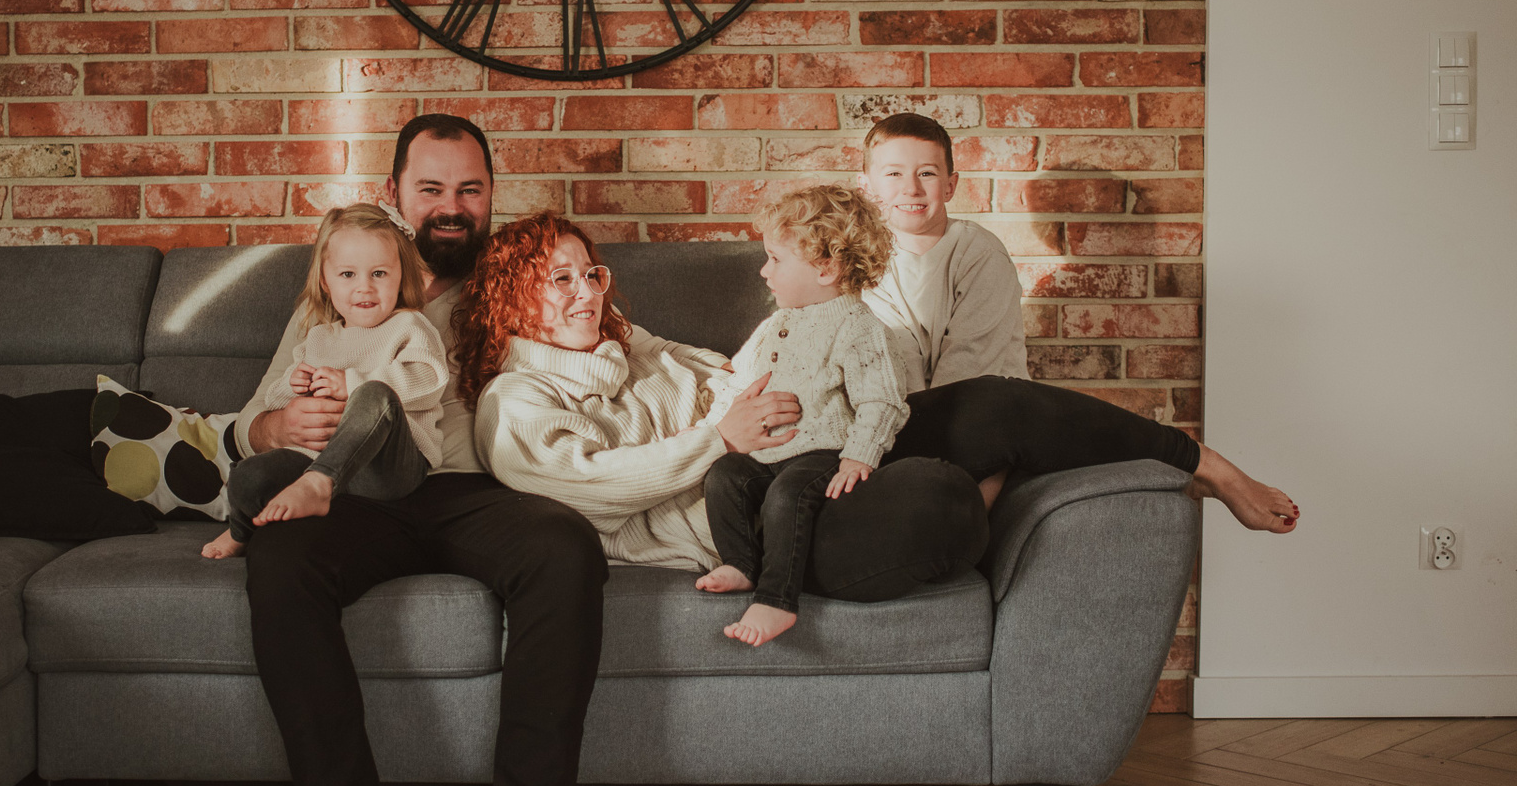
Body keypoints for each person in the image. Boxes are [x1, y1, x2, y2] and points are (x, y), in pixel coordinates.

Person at [465, 212, 1297, 620]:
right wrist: (719, 440)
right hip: (765, 520)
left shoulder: (628, 343)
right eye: (558, 280)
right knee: (935, 494)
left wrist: (804, 366)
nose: (584, 292)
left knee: (994, 400)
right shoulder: (516, 403)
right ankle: (975, 496)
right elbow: (587, 487)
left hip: (817, 438)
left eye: (591, 274)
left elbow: (732, 367)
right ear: (512, 298)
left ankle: (1203, 465)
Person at [228, 115, 607, 786]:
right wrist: (276, 427)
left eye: (470, 189)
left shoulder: (523, 275)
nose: (451, 206)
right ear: (395, 194)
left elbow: (613, 340)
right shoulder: (345, 289)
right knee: (281, 555)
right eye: (431, 188)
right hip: (359, 495)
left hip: (479, 491)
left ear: (491, 196)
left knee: (565, 549)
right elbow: (254, 417)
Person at [695, 184, 911, 648]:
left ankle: (777, 600)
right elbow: (739, 384)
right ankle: (741, 563)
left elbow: (883, 400)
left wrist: (860, 455)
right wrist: (715, 427)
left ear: (826, 268)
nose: (763, 270)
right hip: (767, 454)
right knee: (725, 476)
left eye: (775, 259)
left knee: (786, 495)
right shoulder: (774, 324)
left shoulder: (858, 326)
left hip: (822, 455)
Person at [201, 204, 446, 559]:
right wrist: (294, 385)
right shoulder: (319, 338)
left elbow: (429, 379)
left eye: (379, 273)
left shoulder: (409, 326)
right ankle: (242, 529)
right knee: (248, 474)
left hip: (389, 470)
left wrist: (352, 383)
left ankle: (320, 484)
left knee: (375, 394)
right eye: (348, 274)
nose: (364, 288)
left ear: (401, 277)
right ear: (325, 282)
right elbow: (274, 400)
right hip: (318, 461)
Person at [859, 112, 1029, 393]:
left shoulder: (982, 254)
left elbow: (970, 363)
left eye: (926, 173)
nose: (911, 189)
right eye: (894, 174)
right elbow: (896, 360)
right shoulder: (863, 259)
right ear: (866, 188)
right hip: (907, 410)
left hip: (985, 405)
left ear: (950, 186)